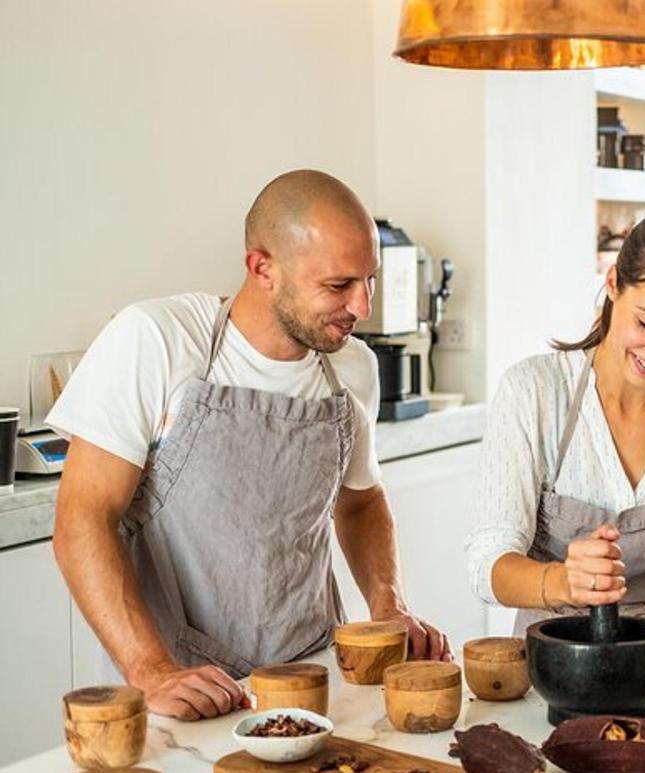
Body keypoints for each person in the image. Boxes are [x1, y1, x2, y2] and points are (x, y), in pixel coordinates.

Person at [49, 169, 449, 721]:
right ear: (262, 267)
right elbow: (82, 520)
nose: (362, 307)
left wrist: (389, 605)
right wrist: (151, 671)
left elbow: (359, 501)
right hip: (178, 688)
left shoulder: (352, 367)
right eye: (338, 286)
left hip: (308, 679)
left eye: (370, 280)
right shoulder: (158, 340)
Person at [466, 209, 645, 673]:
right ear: (614, 282)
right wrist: (564, 581)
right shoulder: (534, 391)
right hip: (554, 669)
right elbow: (487, 563)